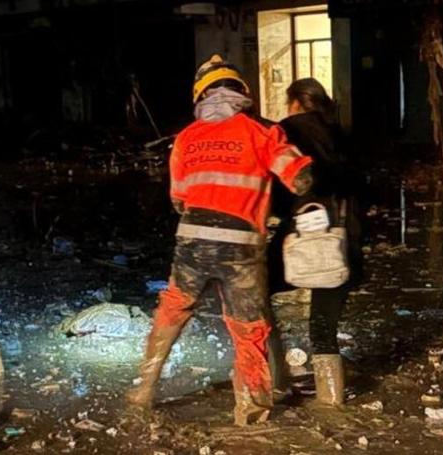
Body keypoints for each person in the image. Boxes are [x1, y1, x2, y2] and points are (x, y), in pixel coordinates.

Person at [125, 55, 313, 426]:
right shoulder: (260, 132)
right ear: (242, 94)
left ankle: (143, 389)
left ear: (202, 96)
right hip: (241, 246)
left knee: (172, 312)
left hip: (192, 241)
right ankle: (251, 411)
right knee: (248, 329)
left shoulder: (185, 138)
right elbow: (300, 179)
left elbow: (179, 199)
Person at [270, 78, 362, 407]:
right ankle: (331, 400)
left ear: (295, 102)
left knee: (256, 299)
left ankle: (274, 381)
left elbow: (280, 190)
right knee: (323, 324)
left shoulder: (284, 131)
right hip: (343, 237)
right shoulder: (344, 134)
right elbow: (362, 186)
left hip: (298, 237)